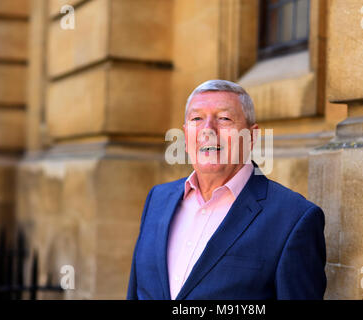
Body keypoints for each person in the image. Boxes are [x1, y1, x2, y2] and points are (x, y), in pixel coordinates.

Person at [127, 80, 326, 300]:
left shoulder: (294, 218)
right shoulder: (158, 199)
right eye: (196, 119)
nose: (208, 130)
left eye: (224, 119)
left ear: (251, 137)